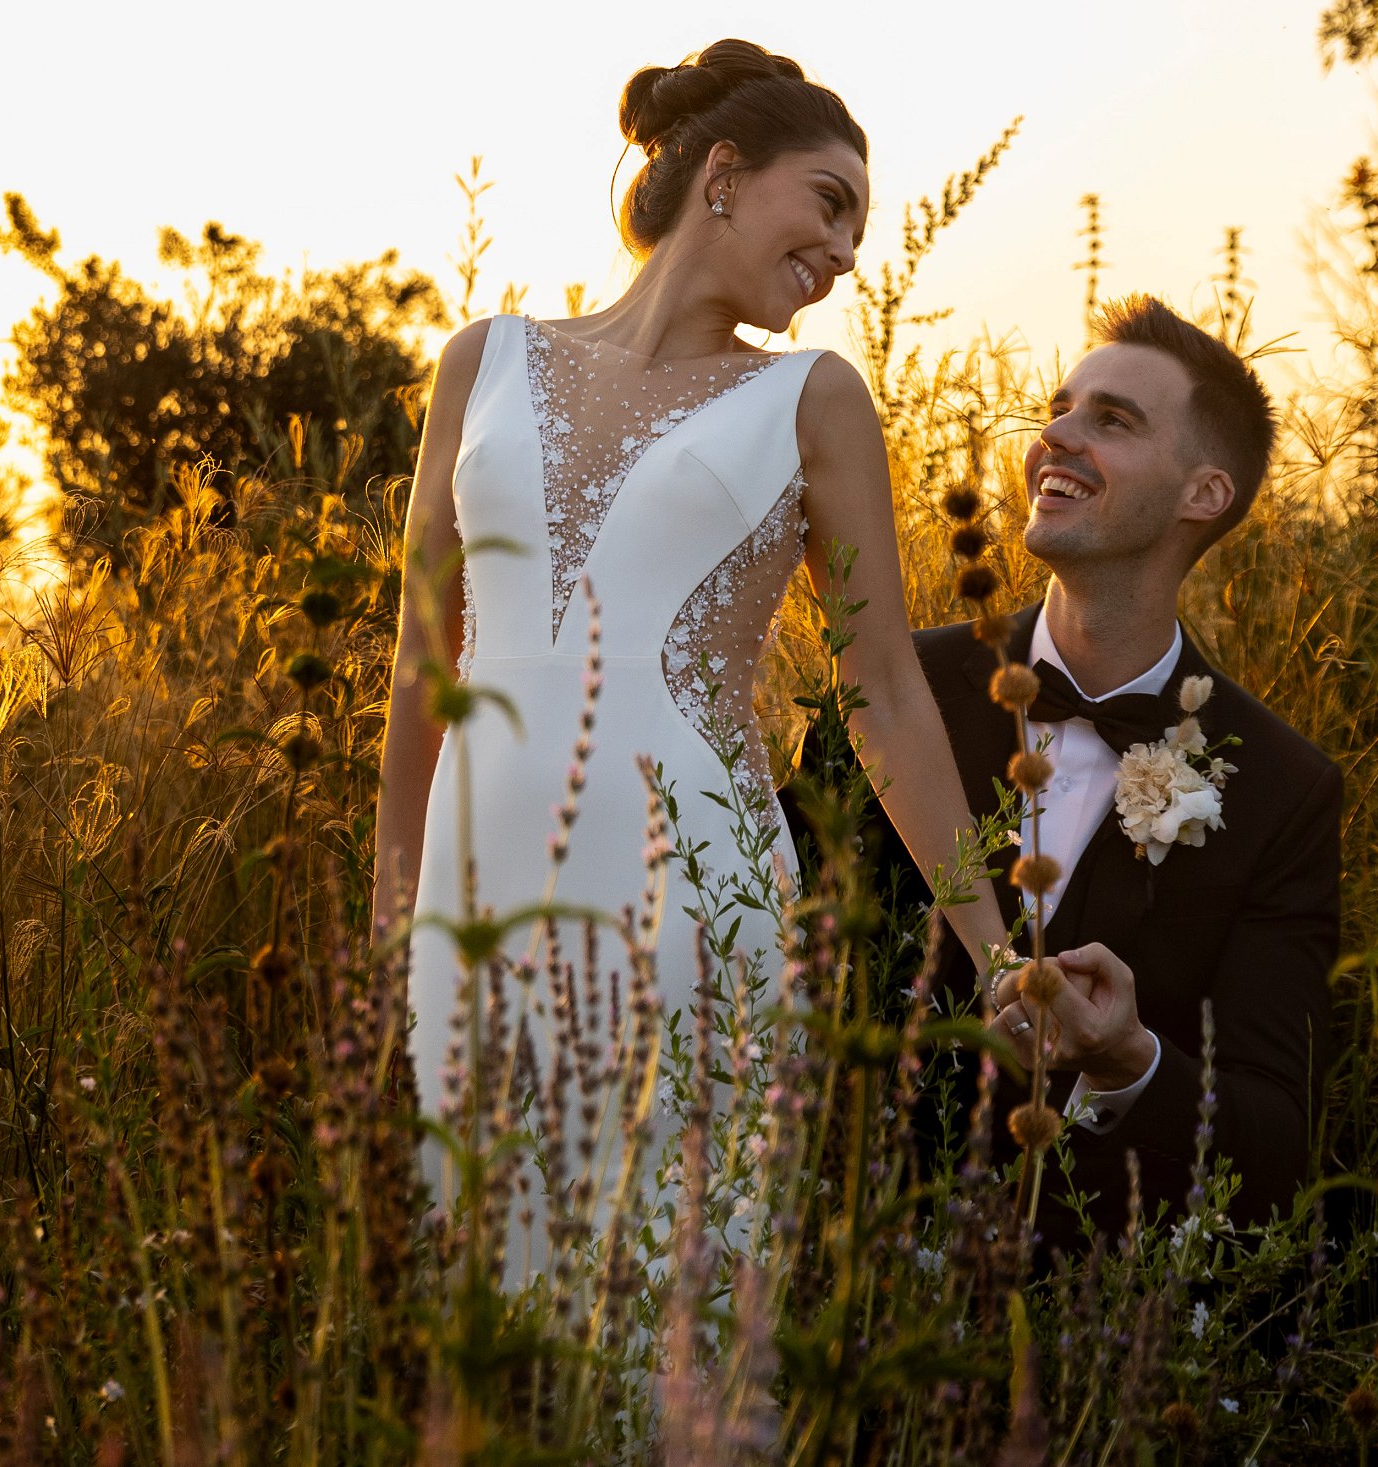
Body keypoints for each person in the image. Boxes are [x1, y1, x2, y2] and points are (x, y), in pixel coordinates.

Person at [371, 39, 1013, 1282]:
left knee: (665, 1298)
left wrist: (998, 951)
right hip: (469, 895)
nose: (844, 254)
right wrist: (387, 928)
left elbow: (880, 691)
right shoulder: (481, 362)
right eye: (830, 203)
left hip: (689, 892)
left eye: (859, 231)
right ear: (723, 172)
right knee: (487, 1298)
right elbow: (418, 669)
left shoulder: (812, 400)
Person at [785, 295, 1341, 1242]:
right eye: (1062, 407)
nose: (1055, 435)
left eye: (1111, 421)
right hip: (837, 1264)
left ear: (1203, 494)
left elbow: (1276, 1140)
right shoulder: (886, 680)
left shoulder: (1281, 790)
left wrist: (1132, 1058)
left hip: (1083, 1302)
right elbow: (771, 946)